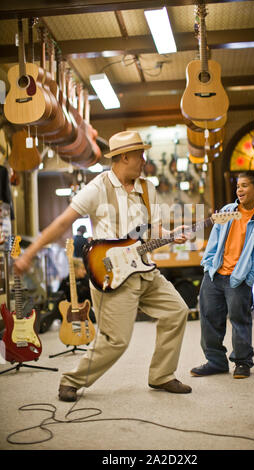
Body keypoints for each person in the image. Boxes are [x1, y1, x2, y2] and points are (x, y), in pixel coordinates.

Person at [14, 130, 192, 401]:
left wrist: (170, 233)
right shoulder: (97, 188)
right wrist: (30, 254)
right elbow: (63, 222)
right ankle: (71, 380)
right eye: (139, 155)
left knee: (177, 311)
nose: (144, 159)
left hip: (144, 268)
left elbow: (152, 229)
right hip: (111, 272)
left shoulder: (148, 188)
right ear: (123, 157)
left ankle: (161, 375)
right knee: (115, 341)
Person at [191, 171, 254, 379]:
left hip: (239, 278)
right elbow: (215, 239)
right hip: (215, 274)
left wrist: (250, 278)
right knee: (208, 318)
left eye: (245, 185)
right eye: (238, 186)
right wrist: (208, 266)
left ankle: (242, 362)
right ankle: (215, 361)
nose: (239, 190)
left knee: (239, 320)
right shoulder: (228, 210)